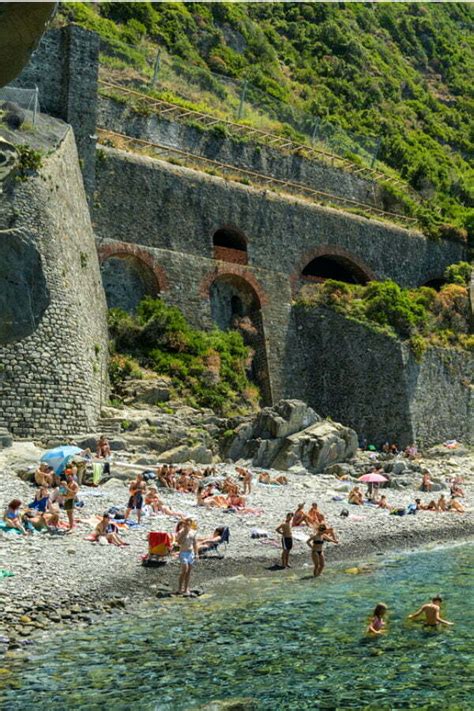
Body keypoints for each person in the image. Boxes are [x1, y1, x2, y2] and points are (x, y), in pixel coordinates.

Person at [176, 518, 198, 596]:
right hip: (183, 553)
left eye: (189, 524)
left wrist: (196, 553)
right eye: (186, 524)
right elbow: (178, 542)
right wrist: (184, 534)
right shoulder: (180, 532)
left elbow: (195, 543)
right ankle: (179, 588)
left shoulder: (193, 532)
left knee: (188, 572)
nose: (187, 526)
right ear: (184, 524)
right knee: (185, 569)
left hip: (190, 553)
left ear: (190, 524)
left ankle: (186, 588)